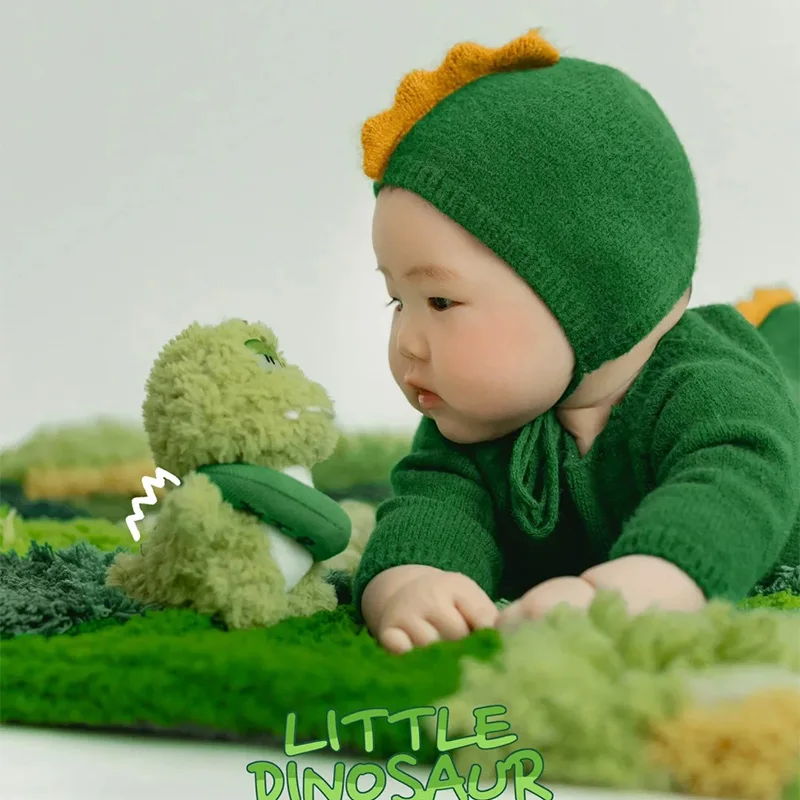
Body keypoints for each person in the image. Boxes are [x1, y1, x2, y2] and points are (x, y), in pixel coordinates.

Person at [351, 29, 800, 654]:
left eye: (442, 302)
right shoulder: (477, 420)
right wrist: (410, 582)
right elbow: (434, 504)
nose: (407, 343)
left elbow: (734, 493)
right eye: (398, 301)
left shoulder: (710, 392)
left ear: (597, 292)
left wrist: (635, 588)